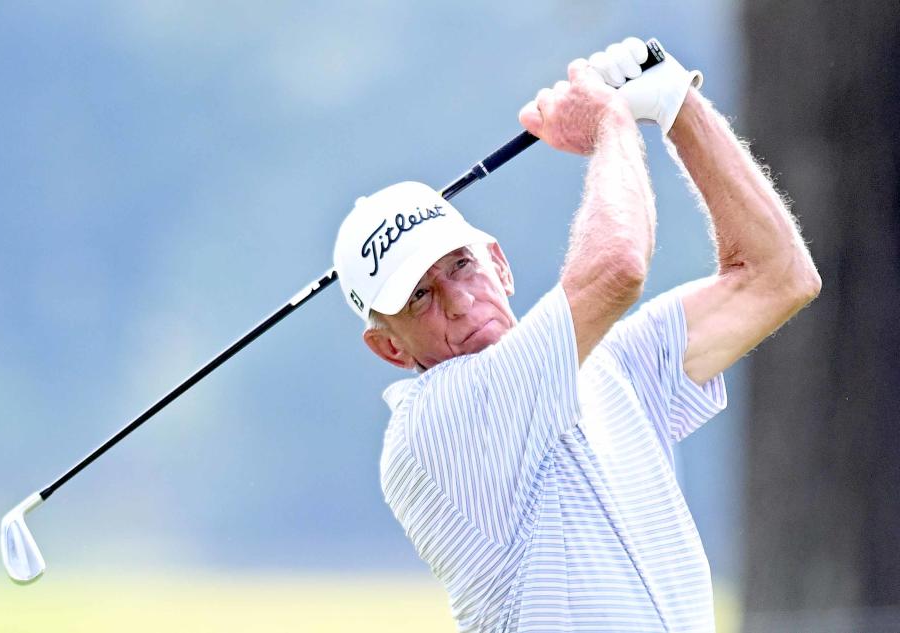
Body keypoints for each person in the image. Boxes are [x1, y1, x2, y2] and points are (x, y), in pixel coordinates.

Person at [332, 37, 820, 632]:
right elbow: (617, 269)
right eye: (418, 297)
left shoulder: (611, 367)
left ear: (499, 264)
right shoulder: (432, 427)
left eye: (460, 265)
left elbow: (778, 277)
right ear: (389, 347)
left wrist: (677, 107)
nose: (458, 301)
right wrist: (612, 126)